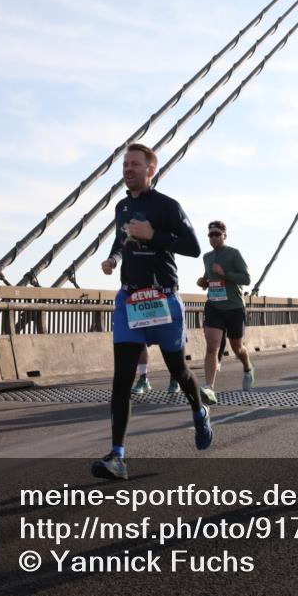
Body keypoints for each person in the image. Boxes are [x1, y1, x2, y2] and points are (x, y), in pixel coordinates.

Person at [92, 143, 209, 481]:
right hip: (130, 301)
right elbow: (121, 238)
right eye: (125, 164)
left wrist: (154, 235)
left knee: (179, 370)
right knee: (122, 380)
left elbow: (192, 247)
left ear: (150, 170)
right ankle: (118, 456)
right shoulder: (122, 206)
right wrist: (113, 258)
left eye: (135, 164)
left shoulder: (167, 206)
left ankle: (199, 410)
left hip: (163, 300)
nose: (127, 169)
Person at [195, 220, 254, 404]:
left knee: (237, 348)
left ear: (224, 235)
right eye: (210, 234)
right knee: (212, 347)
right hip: (214, 306)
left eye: (217, 234)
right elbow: (209, 278)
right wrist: (203, 282)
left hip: (234, 307)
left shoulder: (234, 254)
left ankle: (247, 367)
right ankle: (209, 388)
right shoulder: (206, 257)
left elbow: (246, 279)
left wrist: (224, 273)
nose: (213, 237)